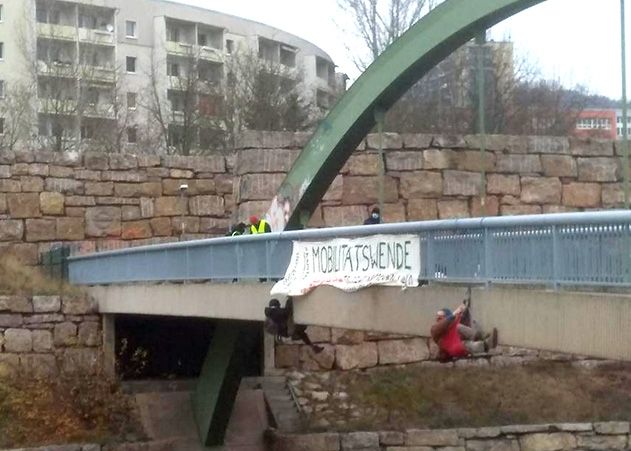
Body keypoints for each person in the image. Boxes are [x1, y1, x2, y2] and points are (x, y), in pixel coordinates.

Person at [430, 301, 497, 362]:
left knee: (468, 343)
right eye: (437, 317)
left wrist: (462, 311)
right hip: (456, 348)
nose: (437, 319)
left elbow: (458, 323)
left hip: (460, 345)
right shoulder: (434, 329)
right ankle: (483, 341)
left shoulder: (452, 329)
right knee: (460, 331)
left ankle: (483, 340)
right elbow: (442, 325)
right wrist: (454, 314)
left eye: (440, 317)